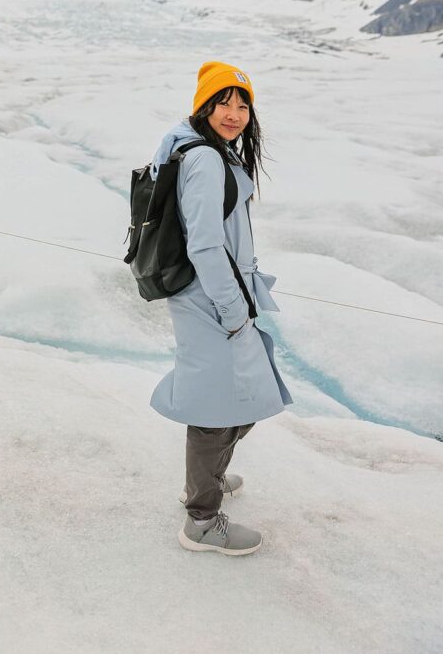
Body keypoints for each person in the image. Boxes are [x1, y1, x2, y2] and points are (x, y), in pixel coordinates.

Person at [149, 61, 293, 556]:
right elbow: (206, 246)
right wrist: (232, 308)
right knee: (217, 406)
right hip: (209, 296)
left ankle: (205, 478)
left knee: (240, 392)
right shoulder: (205, 160)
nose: (234, 113)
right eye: (223, 102)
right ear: (204, 105)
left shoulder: (191, 144)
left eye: (242, 103)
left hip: (205, 293)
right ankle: (202, 518)